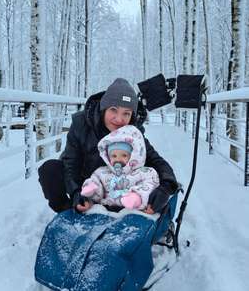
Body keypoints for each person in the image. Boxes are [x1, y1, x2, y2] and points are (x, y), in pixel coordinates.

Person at [38, 78, 177, 214]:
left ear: (132, 116)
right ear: (103, 108)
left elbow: (156, 160)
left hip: (120, 187)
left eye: (126, 113)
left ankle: (128, 205)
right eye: (113, 110)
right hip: (90, 187)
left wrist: (166, 186)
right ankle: (70, 212)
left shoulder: (133, 133)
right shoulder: (81, 125)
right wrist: (76, 193)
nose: (119, 119)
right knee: (49, 169)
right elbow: (70, 164)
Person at [80, 125, 160, 210]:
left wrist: (137, 195)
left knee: (140, 195)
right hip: (106, 208)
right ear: (108, 157)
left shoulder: (144, 172)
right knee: (94, 186)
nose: (118, 159)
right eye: (114, 156)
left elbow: (149, 185)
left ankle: (134, 199)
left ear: (134, 156)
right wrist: (93, 187)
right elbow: (96, 180)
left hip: (132, 210)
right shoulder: (102, 172)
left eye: (124, 155)